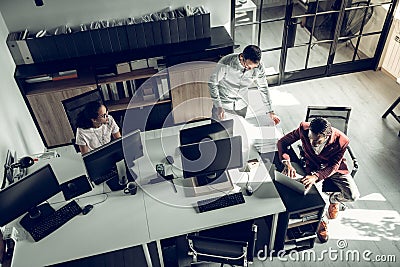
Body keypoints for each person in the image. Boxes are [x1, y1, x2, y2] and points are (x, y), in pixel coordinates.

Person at [277, 117, 360, 243]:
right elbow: (282, 142)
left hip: (333, 169)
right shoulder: (304, 129)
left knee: (353, 196)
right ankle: (322, 220)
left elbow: (334, 166)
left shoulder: (342, 140)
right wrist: (287, 163)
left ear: (326, 135)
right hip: (312, 166)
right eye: (310, 138)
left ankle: (334, 199)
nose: (311, 142)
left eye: (316, 140)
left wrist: (316, 176)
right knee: (314, 199)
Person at [209, 45, 280, 124]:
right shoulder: (226, 63)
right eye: (248, 66)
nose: (250, 69)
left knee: (237, 132)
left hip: (241, 106)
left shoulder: (259, 68)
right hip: (223, 105)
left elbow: (263, 88)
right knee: (216, 133)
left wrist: (270, 111)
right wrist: (218, 105)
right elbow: (212, 83)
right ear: (242, 57)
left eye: (253, 67)